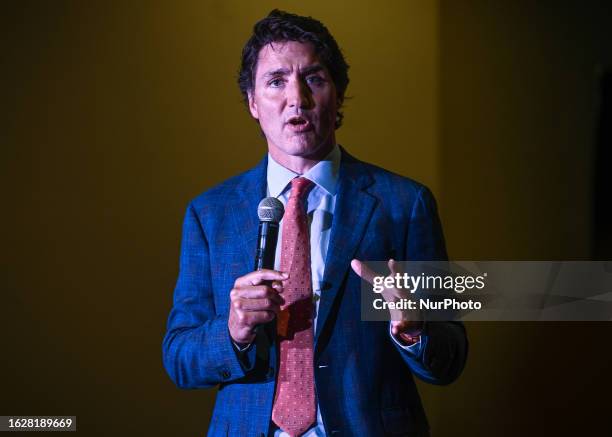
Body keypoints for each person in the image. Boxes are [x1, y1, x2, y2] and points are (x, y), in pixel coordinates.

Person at [162, 10, 467, 437]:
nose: (297, 99)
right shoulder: (210, 214)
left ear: (338, 95)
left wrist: (415, 329)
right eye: (276, 81)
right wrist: (234, 331)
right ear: (253, 102)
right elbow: (179, 357)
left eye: (315, 79)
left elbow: (451, 356)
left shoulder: (404, 203)